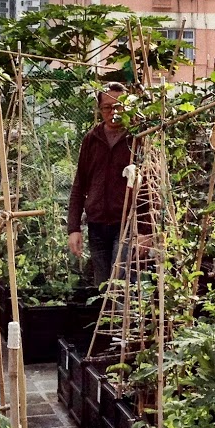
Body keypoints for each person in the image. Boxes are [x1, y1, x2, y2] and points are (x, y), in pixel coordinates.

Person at [67, 85, 133, 285]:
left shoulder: (137, 138)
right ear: (100, 109)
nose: (113, 112)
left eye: (119, 107)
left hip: (127, 225)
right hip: (97, 225)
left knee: (121, 287)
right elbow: (80, 185)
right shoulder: (91, 140)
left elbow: (149, 185)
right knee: (102, 286)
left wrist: (146, 231)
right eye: (107, 107)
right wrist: (74, 228)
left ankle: (123, 317)